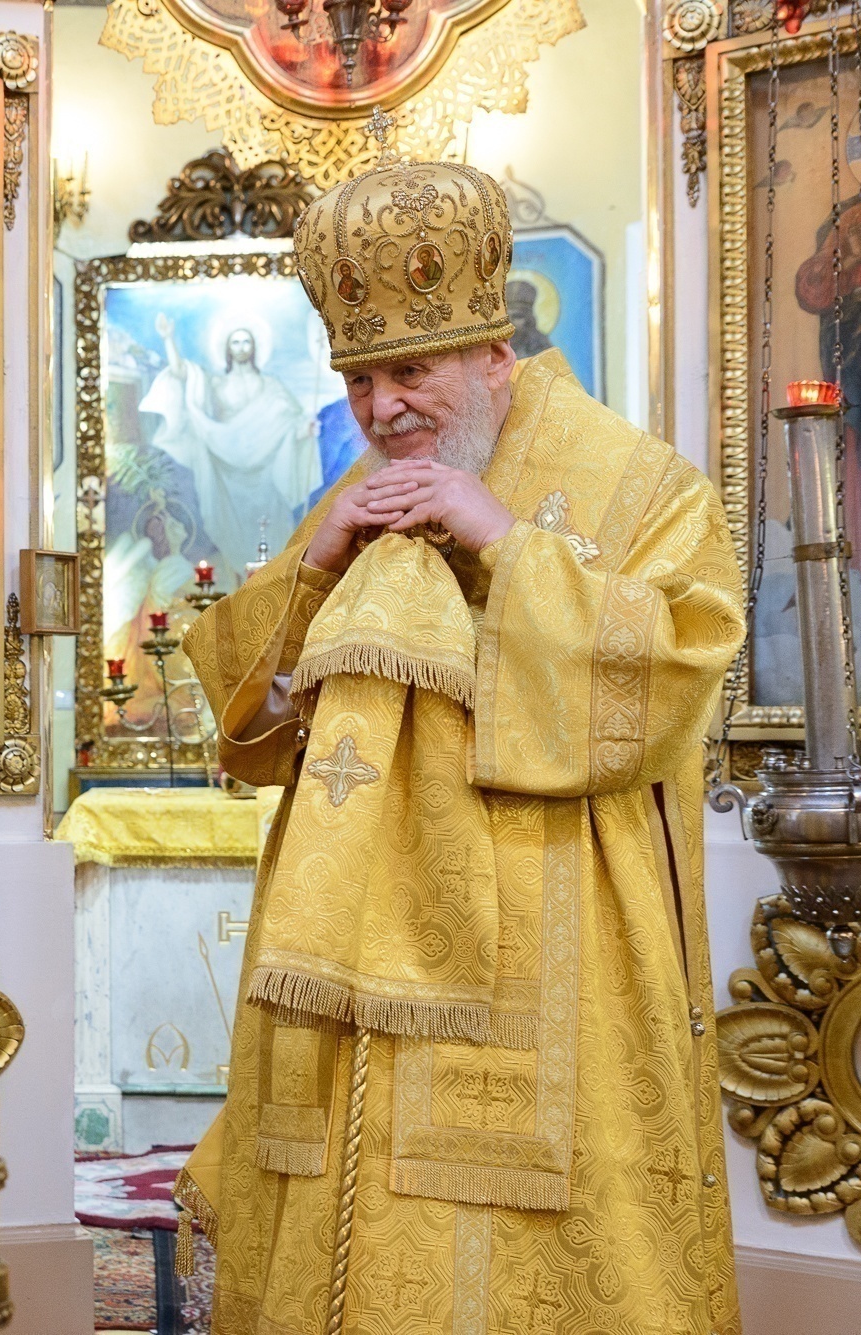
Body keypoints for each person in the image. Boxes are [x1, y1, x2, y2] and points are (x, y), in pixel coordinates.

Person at [175, 159, 743, 1334]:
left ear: (492, 350)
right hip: (352, 980)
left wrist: (502, 542)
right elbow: (255, 729)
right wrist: (315, 561)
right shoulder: (364, 491)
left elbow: (675, 674)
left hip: (549, 961)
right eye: (358, 378)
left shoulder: (642, 488)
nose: (380, 408)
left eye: (408, 372)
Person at [141, 320, 320, 581]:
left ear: (254, 347)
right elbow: (183, 374)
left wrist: (304, 430)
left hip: (267, 477)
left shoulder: (271, 386)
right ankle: (239, 595)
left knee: (276, 538)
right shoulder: (217, 385)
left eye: (246, 341)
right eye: (236, 342)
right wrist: (168, 338)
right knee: (233, 540)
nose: (241, 347)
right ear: (227, 349)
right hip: (227, 477)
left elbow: (291, 423)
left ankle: (277, 590)